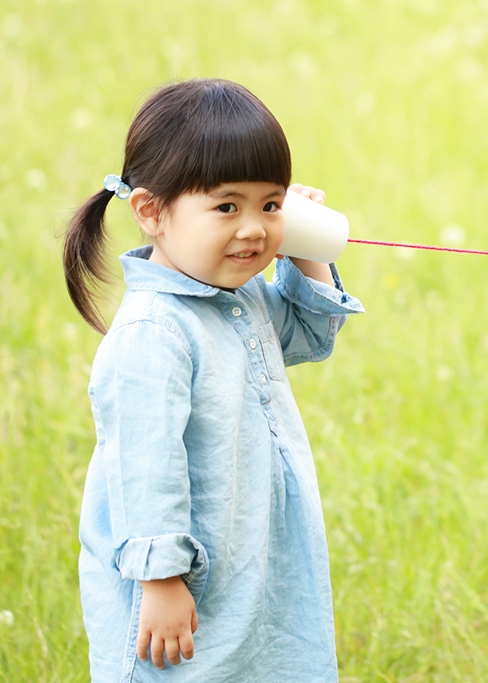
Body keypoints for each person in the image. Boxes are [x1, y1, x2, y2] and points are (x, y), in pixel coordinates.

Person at [63, 78, 363, 682]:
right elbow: (144, 467)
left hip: (244, 553)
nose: (253, 229)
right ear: (151, 212)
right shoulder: (154, 332)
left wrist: (303, 246)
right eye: (227, 207)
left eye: (270, 205)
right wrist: (162, 578)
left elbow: (308, 335)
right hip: (181, 582)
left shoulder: (239, 295)